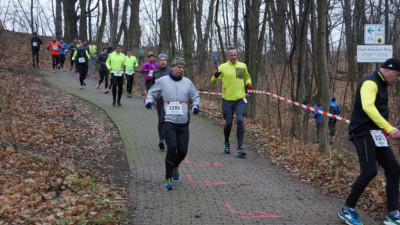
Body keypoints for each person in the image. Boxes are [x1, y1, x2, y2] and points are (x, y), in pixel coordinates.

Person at [338, 58, 400, 225]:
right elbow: (368, 107)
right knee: (370, 171)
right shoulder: (369, 82)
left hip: (376, 134)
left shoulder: (383, 85)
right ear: (388, 69)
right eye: (398, 74)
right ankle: (347, 209)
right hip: (362, 132)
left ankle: (393, 213)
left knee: (394, 168)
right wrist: (389, 128)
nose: (398, 78)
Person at [145, 57, 200, 190]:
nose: (181, 70)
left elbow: (195, 95)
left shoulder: (187, 82)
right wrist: (148, 101)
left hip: (183, 121)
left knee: (182, 150)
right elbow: (151, 93)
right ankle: (168, 177)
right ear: (173, 67)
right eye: (179, 67)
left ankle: (175, 165)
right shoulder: (162, 81)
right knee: (172, 146)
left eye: (183, 68)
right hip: (168, 120)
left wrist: (195, 105)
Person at [211, 46, 252, 158]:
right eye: (231, 55)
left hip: (240, 99)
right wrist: (215, 76)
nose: (234, 57)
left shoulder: (242, 66)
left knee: (240, 121)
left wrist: (248, 83)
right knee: (228, 123)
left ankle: (239, 148)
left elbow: (247, 78)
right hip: (227, 100)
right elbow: (213, 81)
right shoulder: (222, 67)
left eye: (235, 55)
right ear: (227, 56)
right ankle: (227, 143)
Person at [152, 54, 172, 150]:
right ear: (158, 61)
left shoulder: (170, 71)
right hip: (160, 99)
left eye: (164, 60)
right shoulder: (155, 72)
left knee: (168, 120)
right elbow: (152, 86)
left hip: (170, 99)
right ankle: (161, 140)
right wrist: (151, 97)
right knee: (161, 119)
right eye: (161, 60)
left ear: (167, 61)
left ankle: (169, 138)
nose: (163, 61)